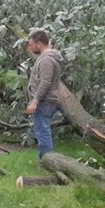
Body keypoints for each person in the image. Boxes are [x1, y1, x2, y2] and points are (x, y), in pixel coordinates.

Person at [25, 29, 63, 159]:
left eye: (32, 45)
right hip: (46, 101)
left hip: (45, 102)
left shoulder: (47, 60)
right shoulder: (48, 58)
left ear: (39, 44)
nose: (30, 48)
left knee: (43, 132)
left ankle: (49, 161)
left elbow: (45, 82)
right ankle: (47, 160)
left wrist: (35, 101)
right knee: (42, 131)